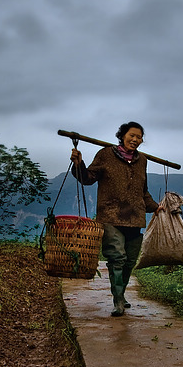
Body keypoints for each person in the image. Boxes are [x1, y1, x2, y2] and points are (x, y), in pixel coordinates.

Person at [70, 122, 163, 317]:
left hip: (135, 217)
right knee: (117, 258)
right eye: (132, 135)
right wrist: (79, 163)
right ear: (122, 136)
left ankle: (121, 293)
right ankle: (118, 301)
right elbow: (87, 178)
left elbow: (142, 191)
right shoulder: (105, 155)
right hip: (110, 215)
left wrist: (155, 207)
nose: (135, 140)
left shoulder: (142, 160)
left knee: (129, 261)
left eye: (139, 137)